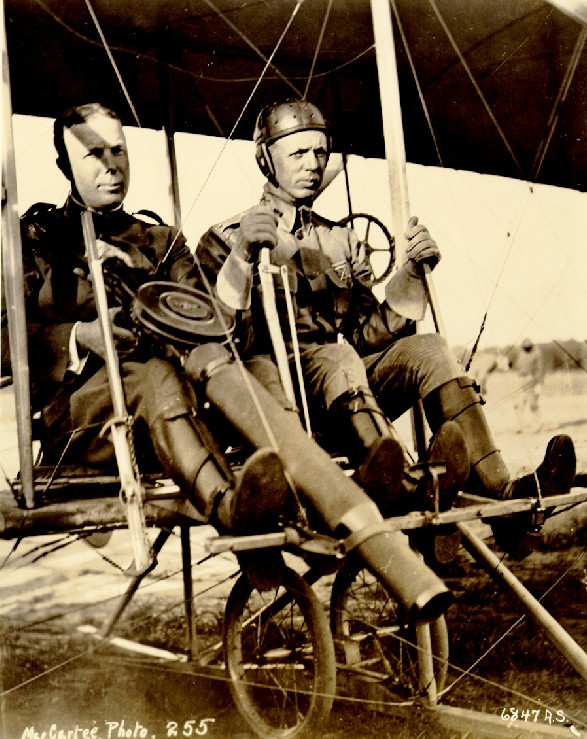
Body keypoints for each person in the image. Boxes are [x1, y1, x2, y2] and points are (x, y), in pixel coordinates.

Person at [8, 102, 453, 621]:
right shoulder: (31, 238)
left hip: (167, 419)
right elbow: (3, 342)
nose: (110, 165)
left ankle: (335, 516)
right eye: (92, 154)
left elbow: (215, 320)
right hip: (82, 423)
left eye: (118, 151)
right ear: (64, 163)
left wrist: (239, 266)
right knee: (158, 375)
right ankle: (232, 512)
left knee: (232, 359)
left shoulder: (159, 240)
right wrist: (80, 336)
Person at [196, 99, 576, 554]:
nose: (313, 165)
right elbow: (214, 335)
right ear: (266, 159)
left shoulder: (340, 240)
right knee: (336, 357)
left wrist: (410, 274)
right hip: (277, 400)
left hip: (342, 394)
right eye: (298, 154)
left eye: (320, 153)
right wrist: (241, 256)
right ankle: (405, 492)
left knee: (429, 347)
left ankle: (503, 498)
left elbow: (365, 334)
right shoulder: (226, 234)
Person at [509, 339, 545, 433]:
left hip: (531, 380)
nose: (526, 348)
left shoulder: (537, 354)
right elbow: (517, 366)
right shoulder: (521, 354)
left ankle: (537, 426)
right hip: (521, 380)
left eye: (528, 346)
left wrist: (539, 384)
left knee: (533, 405)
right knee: (519, 404)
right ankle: (520, 427)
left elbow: (540, 370)